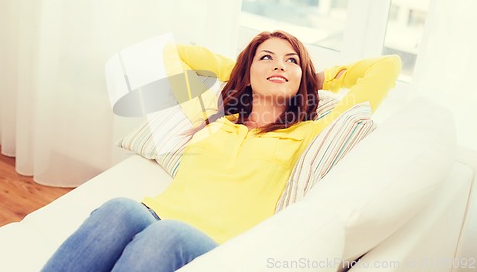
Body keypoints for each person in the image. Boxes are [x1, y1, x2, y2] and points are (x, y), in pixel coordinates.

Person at [42, 30, 401, 272]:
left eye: (291, 60)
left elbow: (386, 68)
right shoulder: (213, 118)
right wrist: (241, 70)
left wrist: (312, 77)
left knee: (167, 236)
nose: (280, 64)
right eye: (267, 58)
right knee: (119, 208)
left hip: (221, 248)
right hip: (156, 216)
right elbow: (173, 54)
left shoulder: (311, 133)